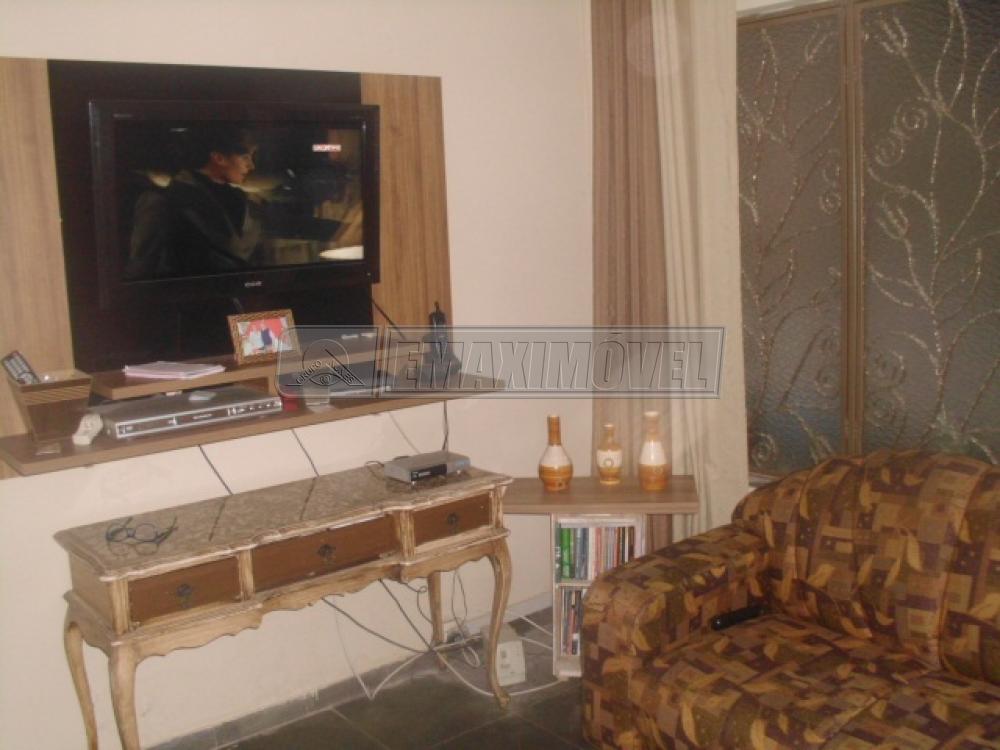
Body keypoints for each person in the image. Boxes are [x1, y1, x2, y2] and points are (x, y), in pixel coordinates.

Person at [126, 126, 263, 279]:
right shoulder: (162, 201)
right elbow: (142, 269)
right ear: (218, 158)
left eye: (252, 157)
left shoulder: (244, 199)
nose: (252, 166)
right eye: (245, 157)